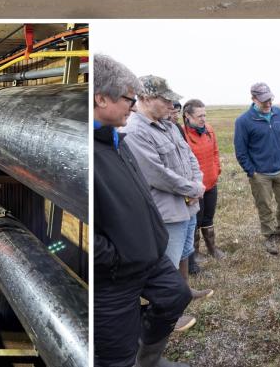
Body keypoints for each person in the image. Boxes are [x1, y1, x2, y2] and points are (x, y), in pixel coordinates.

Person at [94, 56, 192, 367]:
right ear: (101, 98)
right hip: (114, 274)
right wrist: (114, 257)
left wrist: (153, 239)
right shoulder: (90, 151)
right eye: (128, 99)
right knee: (116, 354)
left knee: (177, 295)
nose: (133, 107)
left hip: (148, 256)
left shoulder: (116, 141)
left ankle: (149, 360)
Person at [124, 76, 211, 326]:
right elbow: (156, 174)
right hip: (167, 211)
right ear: (146, 98)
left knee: (184, 252)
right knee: (166, 263)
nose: (172, 105)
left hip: (188, 205)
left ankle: (183, 293)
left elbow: (189, 156)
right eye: (166, 99)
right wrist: (192, 187)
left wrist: (197, 184)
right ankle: (167, 315)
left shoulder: (169, 126)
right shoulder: (135, 131)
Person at [234, 82, 280, 255]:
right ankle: (269, 236)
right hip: (260, 174)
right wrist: (251, 171)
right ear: (253, 99)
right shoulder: (243, 121)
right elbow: (241, 150)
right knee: (264, 206)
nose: (268, 103)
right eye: (263, 100)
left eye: (270, 99)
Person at [182, 99, 224, 264]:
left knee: (209, 217)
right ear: (187, 116)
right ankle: (195, 252)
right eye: (199, 116)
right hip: (194, 187)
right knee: (196, 220)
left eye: (205, 115)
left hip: (211, 183)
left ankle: (212, 248)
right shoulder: (182, 134)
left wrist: (216, 170)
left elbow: (215, 151)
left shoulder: (209, 130)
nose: (203, 119)